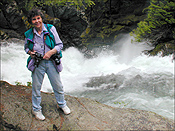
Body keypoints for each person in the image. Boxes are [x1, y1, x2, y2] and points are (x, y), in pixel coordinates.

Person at [24, 8, 70, 121]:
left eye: (38, 18)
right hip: (37, 62)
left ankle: (62, 104)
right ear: (31, 21)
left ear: (41, 18)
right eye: (34, 19)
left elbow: (59, 45)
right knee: (36, 87)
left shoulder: (50, 29)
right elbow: (26, 48)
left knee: (57, 85)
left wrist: (50, 52)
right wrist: (31, 52)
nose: (37, 21)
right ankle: (36, 109)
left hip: (51, 61)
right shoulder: (29, 34)